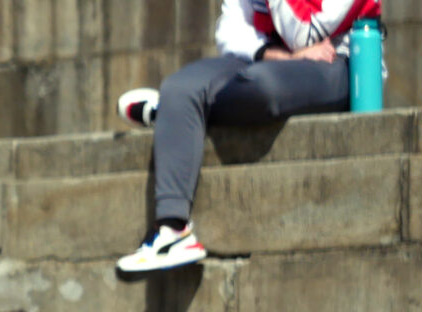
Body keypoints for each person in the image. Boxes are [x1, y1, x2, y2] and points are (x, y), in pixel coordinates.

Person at [114, 0, 382, 273]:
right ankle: (172, 232)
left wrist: (288, 57)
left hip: (339, 63)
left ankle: (177, 116)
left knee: (262, 87)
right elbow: (229, 32)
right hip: (267, 62)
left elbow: (306, 31)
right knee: (179, 87)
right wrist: (281, 56)